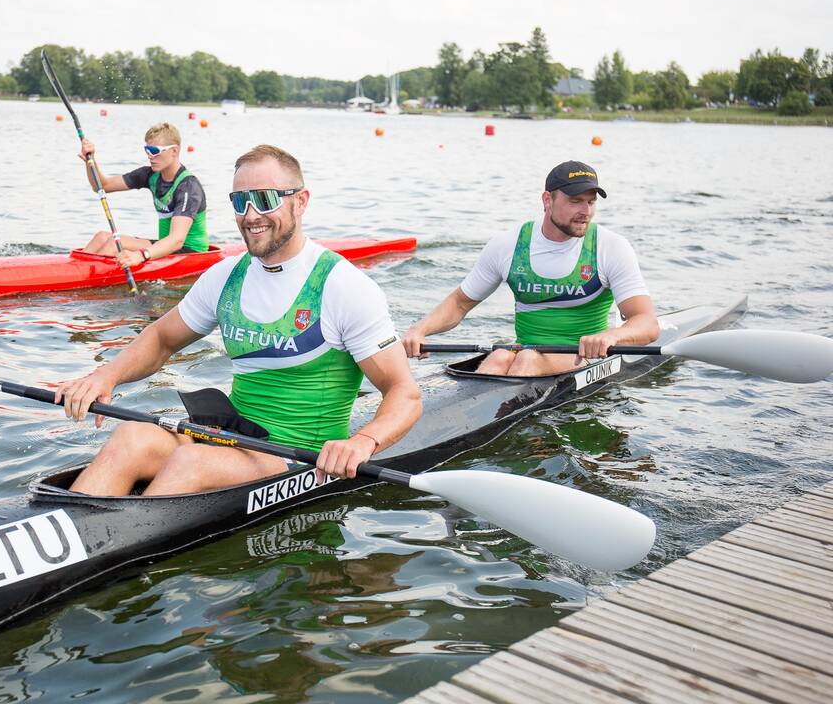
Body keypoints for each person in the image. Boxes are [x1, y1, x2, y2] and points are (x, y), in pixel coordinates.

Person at [56, 144, 422, 496]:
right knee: (131, 436)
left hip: (300, 457)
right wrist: (105, 376)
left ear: (301, 201)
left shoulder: (342, 287)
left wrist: (361, 442)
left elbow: (404, 393)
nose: (250, 215)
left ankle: (119, 550)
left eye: (265, 199)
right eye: (239, 201)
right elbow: (161, 339)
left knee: (192, 462)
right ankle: (70, 535)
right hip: (235, 437)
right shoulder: (226, 276)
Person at [402, 161, 658, 376]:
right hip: (527, 349)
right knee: (500, 356)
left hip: (583, 357)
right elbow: (460, 303)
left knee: (525, 360)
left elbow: (646, 322)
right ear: (547, 199)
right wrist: (420, 330)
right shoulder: (508, 245)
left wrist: (612, 337)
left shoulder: (610, 247)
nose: (585, 211)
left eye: (591, 202)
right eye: (576, 201)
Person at [79, 122, 208, 269]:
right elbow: (101, 186)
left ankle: (88, 279)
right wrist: (91, 161)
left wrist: (141, 255)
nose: (150, 156)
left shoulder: (188, 188)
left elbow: (177, 240)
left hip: (190, 253)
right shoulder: (149, 175)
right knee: (101, 237)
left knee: (115, 243)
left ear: (174, 151)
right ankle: (75, 272)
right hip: (165, 245)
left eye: (154, 150)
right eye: (147, 150)